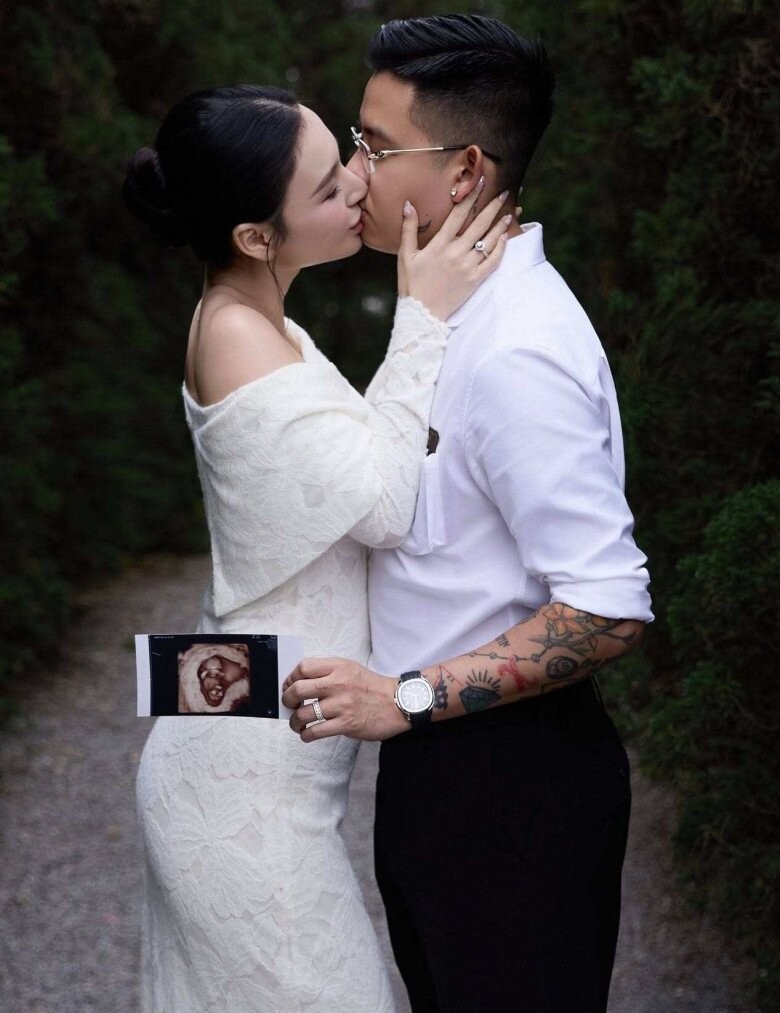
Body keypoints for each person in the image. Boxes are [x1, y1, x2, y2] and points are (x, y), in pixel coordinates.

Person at [282, 15, 654, 1012]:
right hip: (446, 770)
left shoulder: (518, 350)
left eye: (374, 146)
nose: (353, 173)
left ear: (464, 172)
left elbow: (609, 605)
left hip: (512, 784)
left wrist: (404, 698)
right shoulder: (453, 313)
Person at [123, 84, 510, 1011]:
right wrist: (422, 313)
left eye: (347, 156)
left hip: (246, 754)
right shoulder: (236, 336)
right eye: (329, 186)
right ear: (257, 236)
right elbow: (385, 502)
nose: (359, 183)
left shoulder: (263, 320)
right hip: (242, 798)